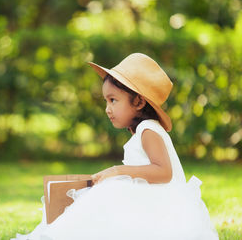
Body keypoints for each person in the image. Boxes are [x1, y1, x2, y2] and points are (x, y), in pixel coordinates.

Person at [11, 53, 218, 240]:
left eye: (113, 100)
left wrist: (118, 171)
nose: (107, 109)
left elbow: (164, 172)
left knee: (107, 195)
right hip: (150, 201)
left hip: (161, 205)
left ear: (138, 102)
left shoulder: (148, 130)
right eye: (106, 101)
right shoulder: (141, 131)